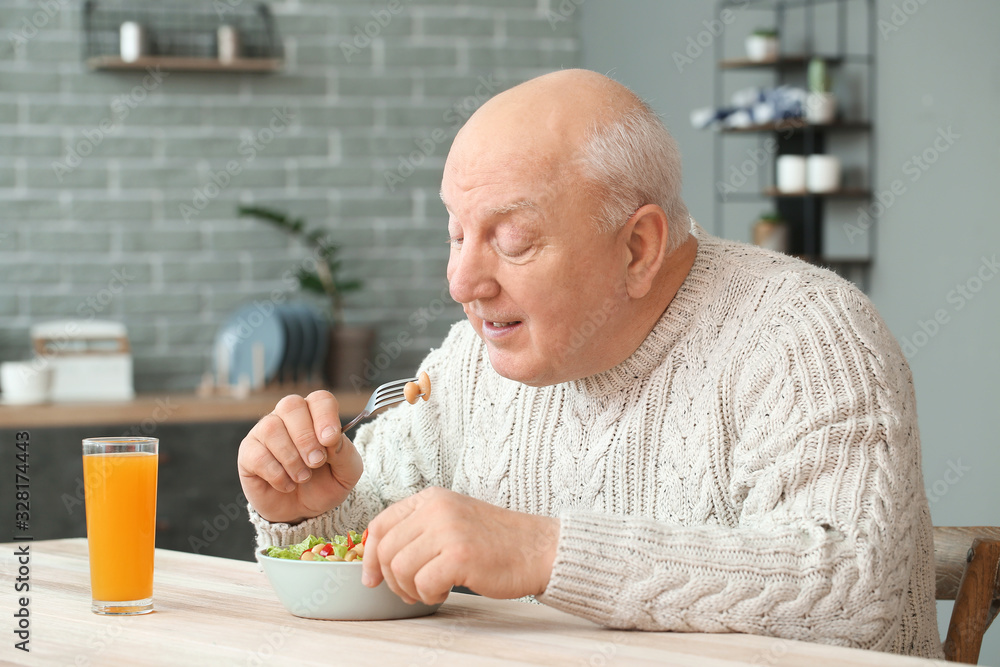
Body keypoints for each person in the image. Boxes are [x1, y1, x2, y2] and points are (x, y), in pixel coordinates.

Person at [238, 69, 942, 658]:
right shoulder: (469, 366)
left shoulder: (807, 337)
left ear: (638, 248)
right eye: (456, 232)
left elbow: (857, 593)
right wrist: (318, 509)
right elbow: (377, 543)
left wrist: (546, 552)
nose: (460, 281)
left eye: (510, 240)